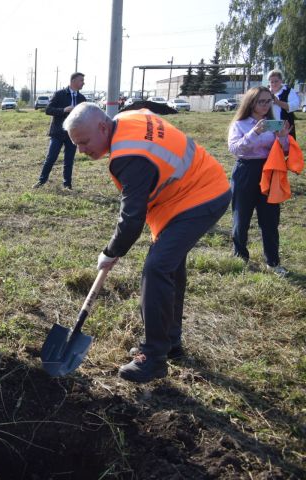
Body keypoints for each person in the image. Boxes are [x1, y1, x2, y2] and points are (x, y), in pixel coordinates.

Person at [64, 103, 231, 383]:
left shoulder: (130, 156)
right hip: (191, 191)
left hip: (200, 196)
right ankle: (170, 342)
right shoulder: (129, 117)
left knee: (156, 269)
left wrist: (111, 252)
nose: (81, 150)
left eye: (83, 142)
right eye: (76, 144)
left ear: (103, 127)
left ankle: (153, 357)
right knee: (169, 267)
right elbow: (151, 118)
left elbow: (131, 219)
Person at [228, 86, 291, 276]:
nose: (265, 105)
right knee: (241, 217)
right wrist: (254, 132)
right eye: (261, 101)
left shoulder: (273, 123)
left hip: (270, 171)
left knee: (270, 219)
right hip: (246, 171)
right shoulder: (240, 124)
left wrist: (282, 138)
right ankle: (240, 256)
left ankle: (272, 261)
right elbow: (235, 149)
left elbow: (285, 151)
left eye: (268, 101)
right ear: (251, 102)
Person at [33, 72, 86, 190]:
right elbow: (48, 110)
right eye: (81, 80)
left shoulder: (82, 98)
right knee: (51, 157)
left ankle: (67, 185)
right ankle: (41, 181)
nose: (83, 83)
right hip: (58, 132)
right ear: (73, 81)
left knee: (69, 160)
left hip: (72, 134)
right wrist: (63, 110)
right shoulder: (59, 94)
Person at [267, 69, 298, 138]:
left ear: (281, 80)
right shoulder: (265, 92)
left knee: (285, 146)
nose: (274, 84)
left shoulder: (289, 91)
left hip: (285, 125)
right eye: (272, 82)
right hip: (270, 125)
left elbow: (295, 106)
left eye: (276, 81)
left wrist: (278, 102)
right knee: (271, 146)